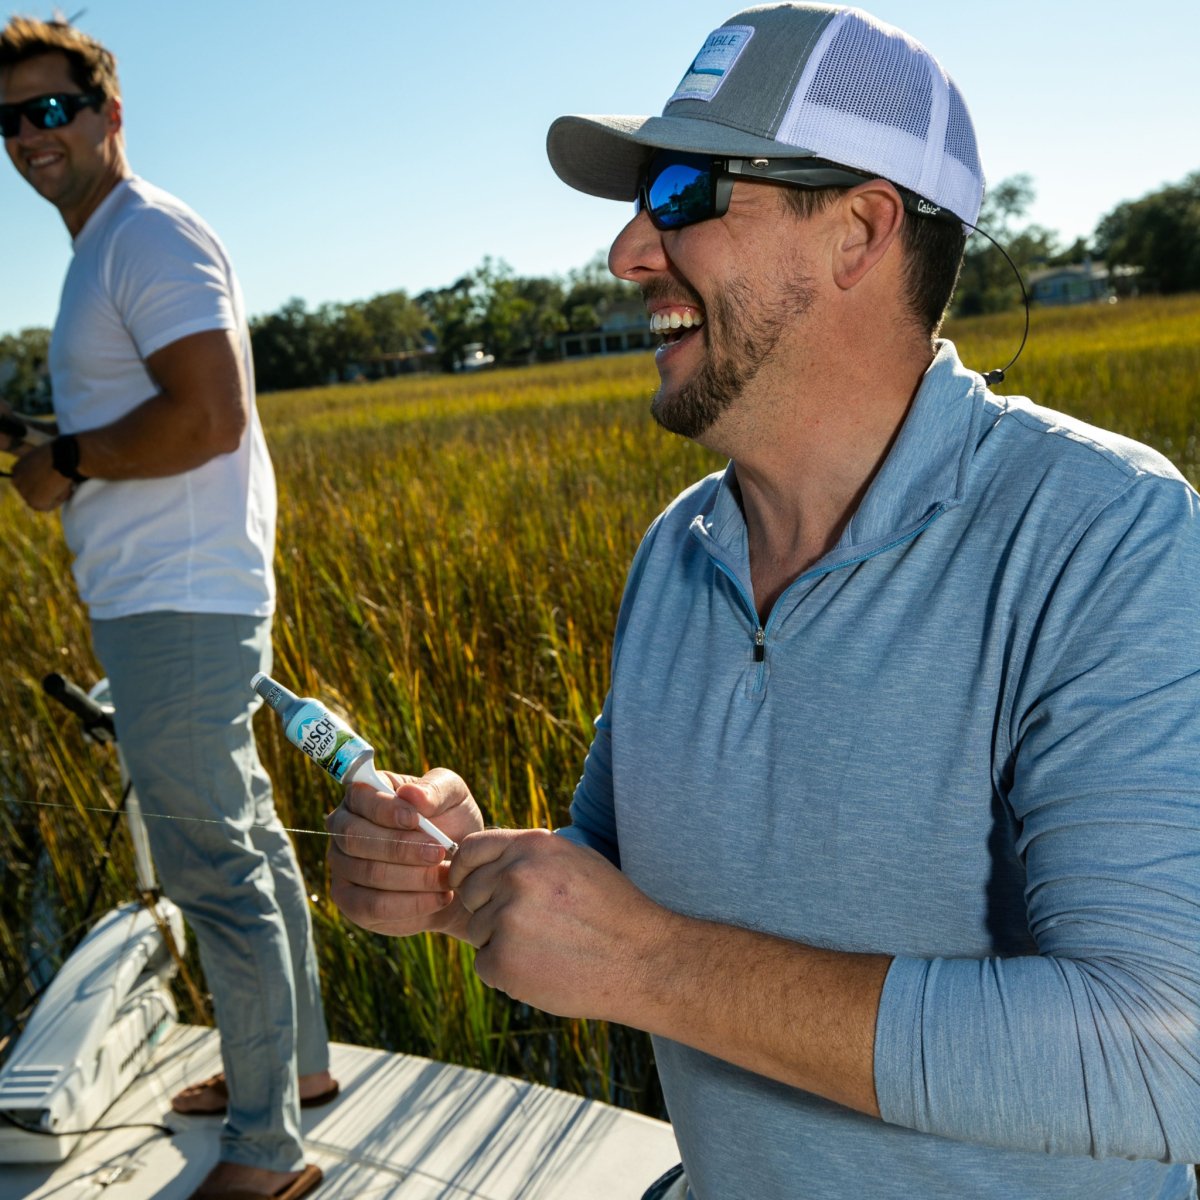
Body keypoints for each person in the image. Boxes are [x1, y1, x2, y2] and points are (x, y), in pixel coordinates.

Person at [326, 4, 1200, 1198]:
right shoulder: (674, 553)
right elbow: (618, 878)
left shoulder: (1103, 536)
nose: (630, 250)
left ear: (859, 229)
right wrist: (461, 871)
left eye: (683, 190)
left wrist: (655, 969)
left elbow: (1167, 1059)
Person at [0, 18, 335, 1200]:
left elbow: (209, 418)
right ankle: (292, 1077)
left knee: (212, 868)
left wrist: (70, 463)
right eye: (10, 122)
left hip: (178, 605)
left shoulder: (148, 235)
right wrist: (60, 451)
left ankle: (266, 1155)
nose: (31, 137)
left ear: (108, 114)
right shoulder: (104, 249)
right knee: (245, 833)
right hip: (176, 596)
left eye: (52, 110)